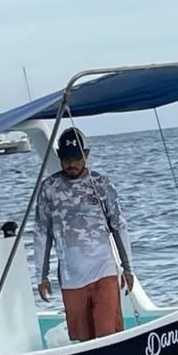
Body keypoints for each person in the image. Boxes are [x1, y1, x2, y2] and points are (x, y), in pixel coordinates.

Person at [33, 126, 134, 342]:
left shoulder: (100, 184)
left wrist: (128, 268)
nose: (72, 163)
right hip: (71, 277)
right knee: (84, 340)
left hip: (103, 271)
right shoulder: (48, 189)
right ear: (60, 156)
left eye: (77, 157)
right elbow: (42, 233)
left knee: (109, 335)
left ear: (86, 155)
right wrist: (42, 276)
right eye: (67, 158)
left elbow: (118, 226)